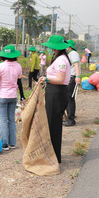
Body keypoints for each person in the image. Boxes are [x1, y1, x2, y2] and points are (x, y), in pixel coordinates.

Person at [38, 35, 71, 164]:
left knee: (53, 125)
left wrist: (46, 79)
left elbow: (60, 80)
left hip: (57, 94)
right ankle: (53, 155)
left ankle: (53, 157)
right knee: (52, 124)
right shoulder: (59, 58)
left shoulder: (61, 61)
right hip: (54, 92)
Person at [0, 45, 25, 151]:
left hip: (2, 96)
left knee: (3, 120)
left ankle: (5, 144)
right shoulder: (18, 66)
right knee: (11, 120)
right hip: (13, 96)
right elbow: (19, 83)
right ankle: (12, 143)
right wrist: (22, 95)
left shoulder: (0, 66)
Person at [64, 40, 82, 127]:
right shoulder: (70, 54)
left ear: (69, 46)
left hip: (73, 77)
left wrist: (77, 77)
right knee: (68, 98)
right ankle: (70, 116)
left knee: (69, 98)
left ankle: (71, 120)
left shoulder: (73, 53)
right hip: (70, 77)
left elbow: (76, 65)